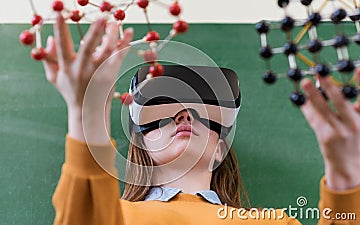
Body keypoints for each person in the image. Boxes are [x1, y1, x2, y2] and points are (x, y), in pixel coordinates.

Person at [42, 14, 360, 225]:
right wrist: (86, 111)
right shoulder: (114, 215)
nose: (185, 115)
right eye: (163, 111)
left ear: (219, 150)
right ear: (142, 144)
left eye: (203, 113)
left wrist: (345, 177)